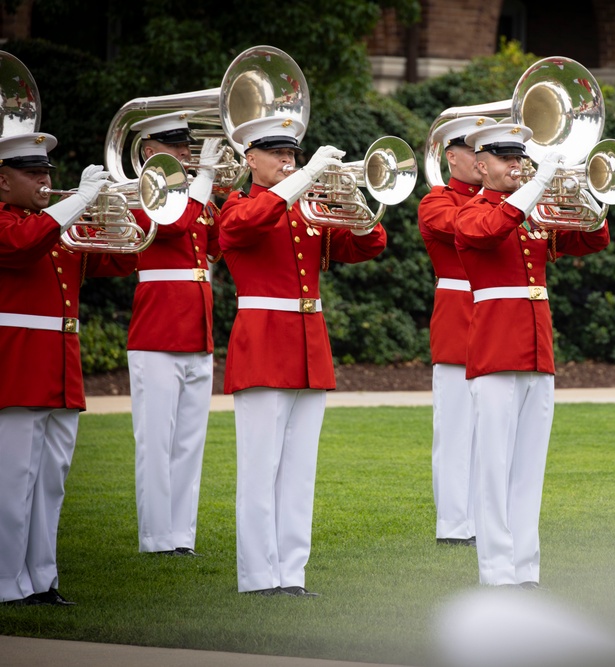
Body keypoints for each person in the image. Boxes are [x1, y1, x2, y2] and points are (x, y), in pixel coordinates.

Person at [219, 116, 387, 596]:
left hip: (309, 344)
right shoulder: (239, 204)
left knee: (298, 472)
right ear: (250, 159)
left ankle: (291, 574)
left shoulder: (306, 209)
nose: (286, 160)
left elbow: (369, 244)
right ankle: (257, 577)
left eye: (291, 153)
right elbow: (244, 227)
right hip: (264, 342)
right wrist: (305, 177)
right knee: (260, 469)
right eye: (276, 154)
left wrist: (352, 201)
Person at [455, 123, 610, 587]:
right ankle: (497, 571)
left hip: (538, 352)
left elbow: (593, 239)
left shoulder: (533, 212)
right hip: (496, 351)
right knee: (494, 466)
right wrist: (539, 185)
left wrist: (586, 192)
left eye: (519, 158)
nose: (517, 165)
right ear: (481, 166)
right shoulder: (471, 212)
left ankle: (525, 568)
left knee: (528, 469)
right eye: (506, 159)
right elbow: (491, 228)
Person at [0, 133, 137, 606]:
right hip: (17, 364)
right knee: (11, 482)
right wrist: (78, 200)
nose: (44, 180)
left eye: (47, 174)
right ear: (1, 181)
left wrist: (112, 208)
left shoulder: (53, 225)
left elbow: (124, 257)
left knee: (50, 483)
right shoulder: (13, 224)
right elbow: (19, 246)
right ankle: (4, 583)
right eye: (32, 173)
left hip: (61, 367)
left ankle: (41, 580)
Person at [126, 111, 223, 557]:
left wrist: (222, 192)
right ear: (149, 151)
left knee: (188, 444)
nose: (186, 152)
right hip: (158, 333)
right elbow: (173, 225)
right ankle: (155, 538)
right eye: (174, 145)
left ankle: (181, 537)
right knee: (156, 441)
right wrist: (202, 181)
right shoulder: (144, 194)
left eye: (187, 145)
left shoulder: (194, 198)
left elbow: (218, 245)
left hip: (196, 331)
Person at [418, 115, 497, 547]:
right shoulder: (436, 202)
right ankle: (453, 524)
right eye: (476, 151)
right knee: (454, 430)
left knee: (493, 431)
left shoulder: (501, 201)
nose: (484, 160)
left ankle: (485, 518)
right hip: (457, 317)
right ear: (452, 156)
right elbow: (469, 227)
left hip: (499, 318)